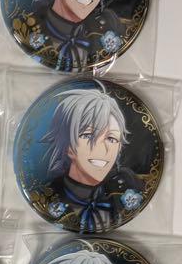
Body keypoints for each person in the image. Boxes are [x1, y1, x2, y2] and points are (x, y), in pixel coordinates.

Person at [38, 85, 143, 232]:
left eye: (111, 138)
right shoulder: (46, 196)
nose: (102, 148)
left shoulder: (125, 190)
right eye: (88, 135)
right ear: (67, 145)